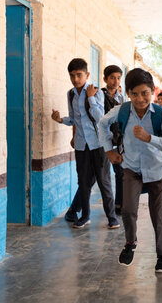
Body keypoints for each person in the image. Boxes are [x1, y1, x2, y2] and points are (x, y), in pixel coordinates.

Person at [99, 68, 162, 273]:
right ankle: (130, 243)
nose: (140, 98)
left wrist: (149, 138)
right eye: (134, 94)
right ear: (128, 93)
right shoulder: (122, 111)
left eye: (145, 93)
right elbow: (102, 123)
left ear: (152, 91)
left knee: (157, 214)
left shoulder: (161, 114)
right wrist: (109, 150)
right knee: (128, 210)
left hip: (156, 171)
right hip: (131, 168)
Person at [51, 58, 119, 229]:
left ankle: (112, 217)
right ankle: (85, 216)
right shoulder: (71, 94)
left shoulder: (96, 92)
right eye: (72, 76)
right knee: (83, 183)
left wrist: (91, 98)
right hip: (82, 145)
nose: (75, 79)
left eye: (79, 75)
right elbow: (74, 118)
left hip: (98, 144)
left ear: (87, 75)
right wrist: (60, 120)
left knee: (104, 182)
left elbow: (100, 117)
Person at [102, 65, 125, 216]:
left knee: (120, 172)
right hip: (103, 140)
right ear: (105, 79)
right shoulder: (99, 95)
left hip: (118, 139)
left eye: (118, 78)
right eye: (112, 78)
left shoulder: (121, 97)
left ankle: (119, 204)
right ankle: (75, 209)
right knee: (99, 177)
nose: (116, 81)